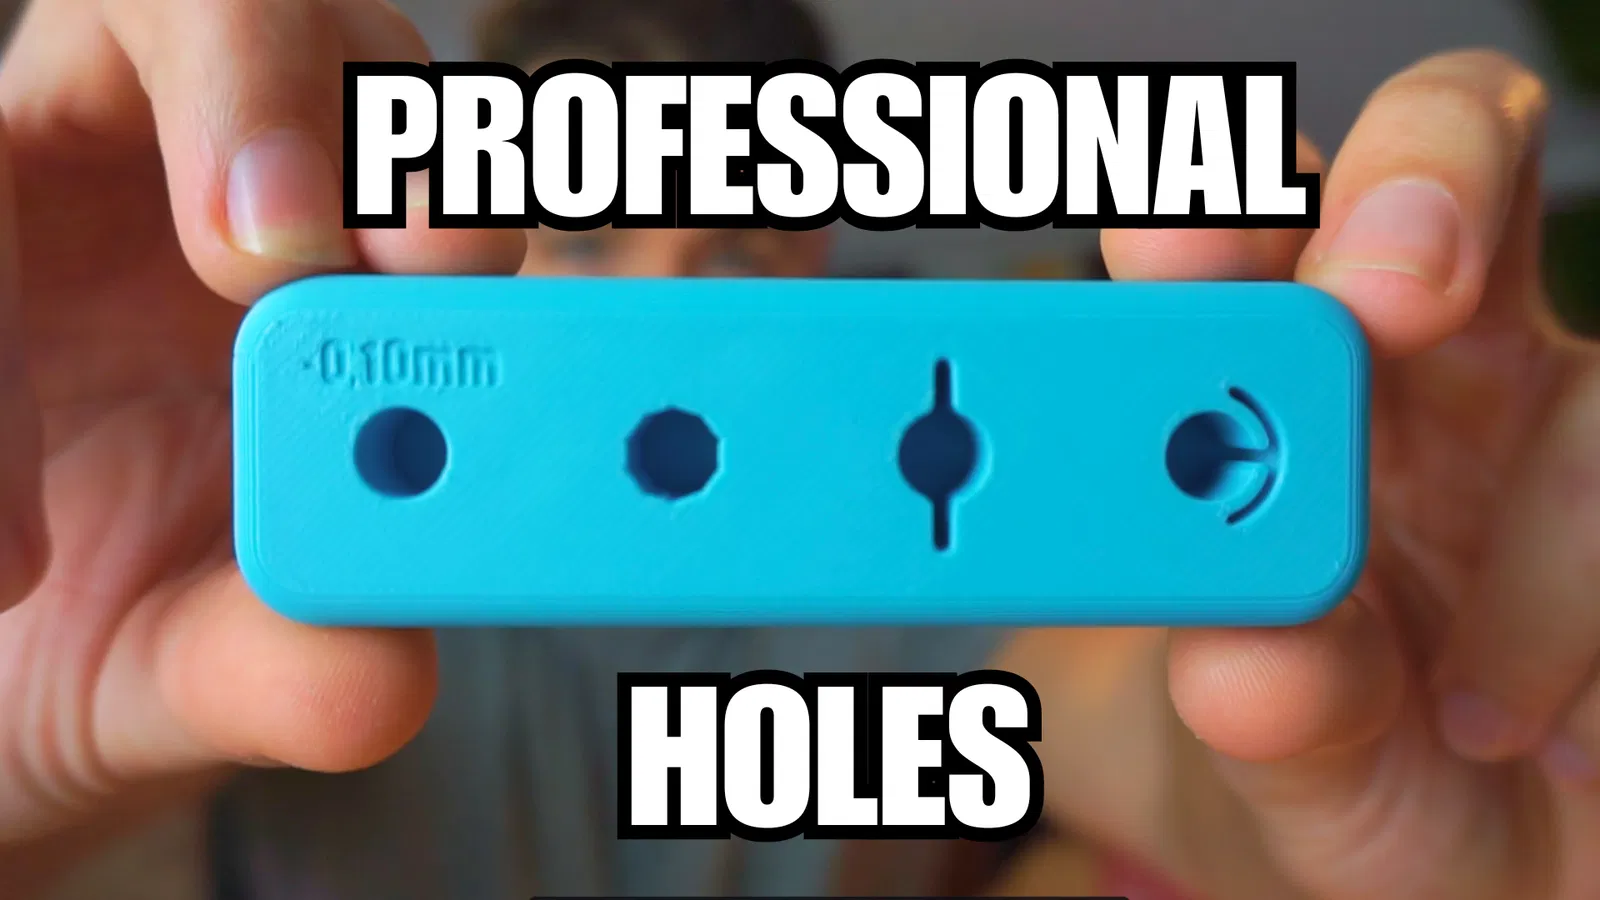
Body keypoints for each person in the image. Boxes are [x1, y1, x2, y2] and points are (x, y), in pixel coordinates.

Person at [0, 0, 1595, 897]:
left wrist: (1439, 807)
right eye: (591, 219)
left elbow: (1131, 727)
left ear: (824, 261)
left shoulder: (927, 560)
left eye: (739, 241)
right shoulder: (251, 594)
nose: (671, 287)